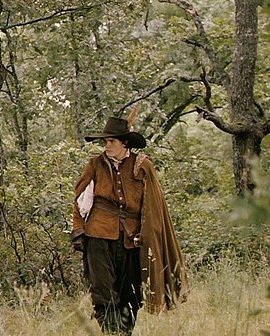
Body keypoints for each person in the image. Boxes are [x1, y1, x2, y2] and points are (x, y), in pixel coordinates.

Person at [71, 115, 189, 334]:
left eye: (111, 141)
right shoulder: (95, 165)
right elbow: (80, 200)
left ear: (124, 143)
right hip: (99, 235)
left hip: (131, 240)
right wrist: (78, 231)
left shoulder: (143, 166)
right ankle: (112, 332)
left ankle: (124, 332)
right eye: (105, 142)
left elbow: (153, 205)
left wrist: (147, 234)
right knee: (103, 292)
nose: (107, 146)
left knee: (131, 295)